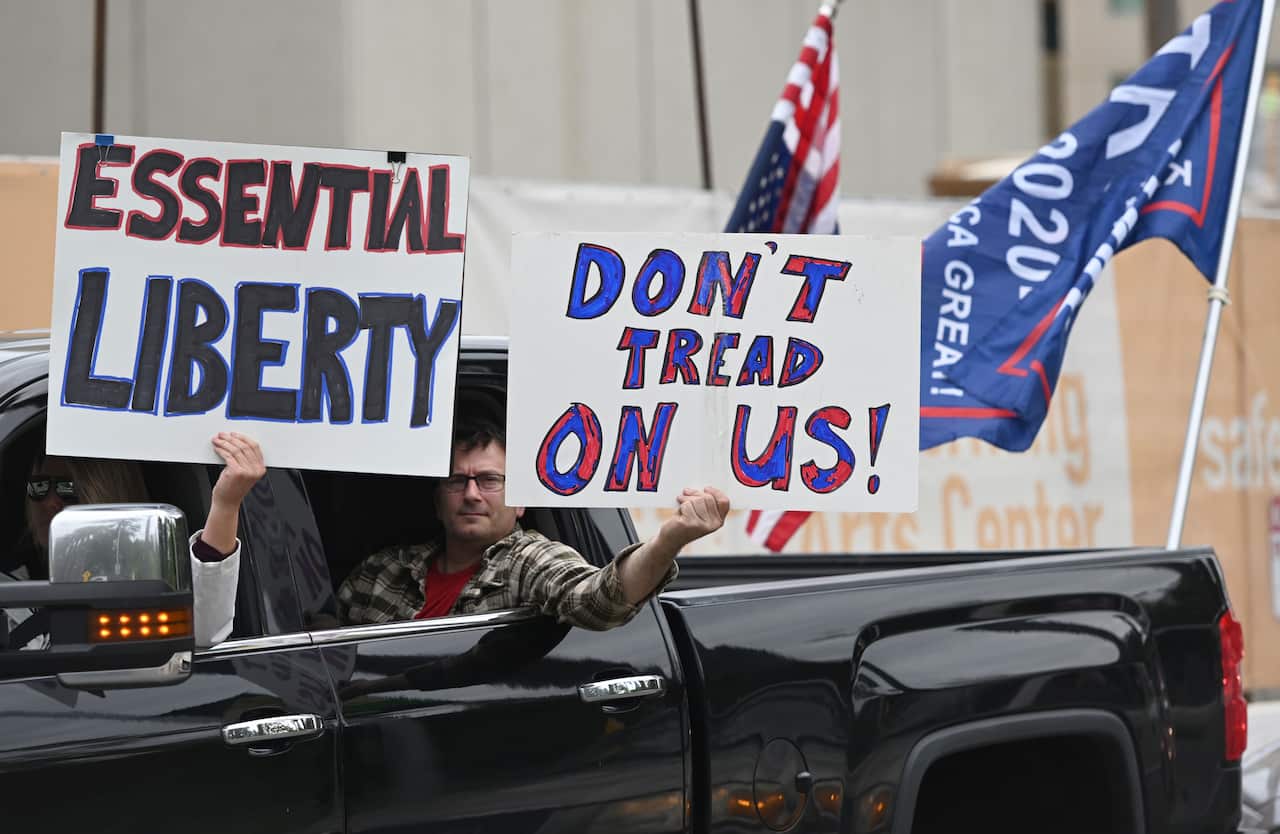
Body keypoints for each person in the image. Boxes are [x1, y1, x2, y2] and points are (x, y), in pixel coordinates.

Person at [337, 418, 729, 630]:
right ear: (438, 500)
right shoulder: (383, 569)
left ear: (520, 499)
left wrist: (669, 539)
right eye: (458, 481)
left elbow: (600, 600)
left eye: (490, 480)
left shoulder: (525, 560)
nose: (472, 494)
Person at [7, 431, 265, 649]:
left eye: (67, 488)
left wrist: (226, 504)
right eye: (39, 487)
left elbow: (203, 628)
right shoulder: (11, 583)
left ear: (105, 492)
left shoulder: (141, 578)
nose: (50, 502)